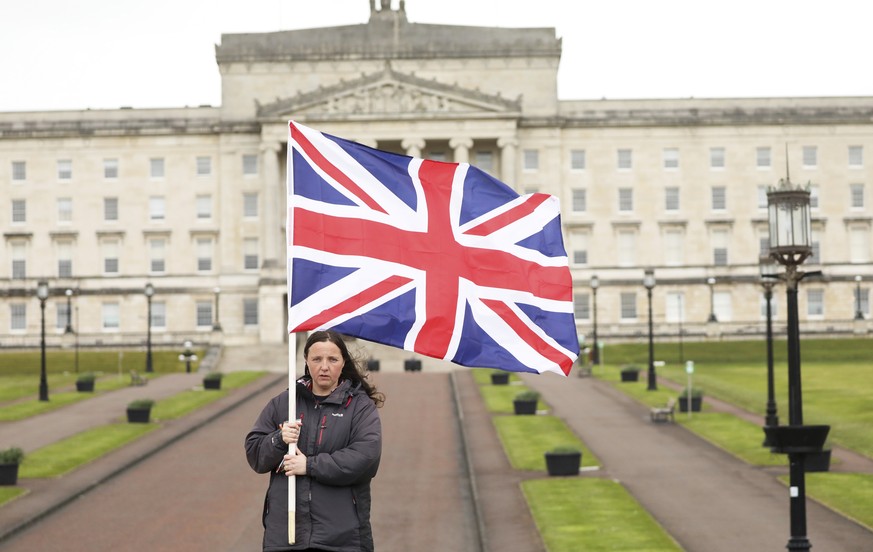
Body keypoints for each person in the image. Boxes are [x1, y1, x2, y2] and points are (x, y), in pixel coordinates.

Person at [245, 330, 385, 552]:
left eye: (332, 359)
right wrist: (279, 439)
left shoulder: (360, 407)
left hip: (340, 538)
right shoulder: (285, 403)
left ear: (343, 362)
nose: (324, 366)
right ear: (306, 362)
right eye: (317, 359)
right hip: (286, 536)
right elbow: (255, 454)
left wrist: (309, 466)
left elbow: (365, 458)